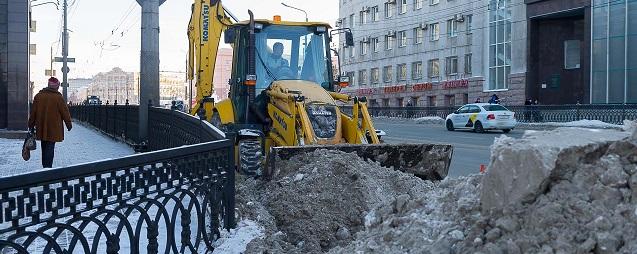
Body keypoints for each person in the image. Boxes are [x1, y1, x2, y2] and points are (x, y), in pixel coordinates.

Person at [28, 77, 72, 168]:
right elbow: (65, 112)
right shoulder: (58, 97)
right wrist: (69, 125)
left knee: (44, 147)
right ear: (56, 87)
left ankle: (45, 166)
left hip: (41, 127)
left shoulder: (38, 96)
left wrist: (30, 124)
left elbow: (33, 113)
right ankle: (48, 169)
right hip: (54, 128)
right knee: (50, 148)